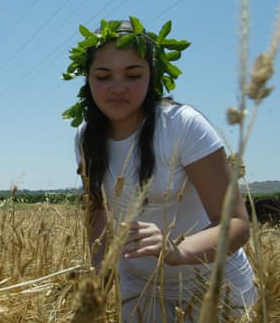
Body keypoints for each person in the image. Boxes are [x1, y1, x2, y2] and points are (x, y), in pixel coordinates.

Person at [62, 17, 257, 322]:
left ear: (152, 77)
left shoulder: (182, 126)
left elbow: (236, 224)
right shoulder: (85, 136)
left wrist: (175, 250)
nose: (117, 87)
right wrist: (101, 273)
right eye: (103, 76)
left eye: (132, 75)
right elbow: (97, 208)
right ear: (87, 79)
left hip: (215, 291)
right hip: (140, 293)